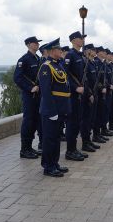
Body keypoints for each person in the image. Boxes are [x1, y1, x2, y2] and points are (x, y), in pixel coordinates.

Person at [38, 38, 70, 177]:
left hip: (61, 108)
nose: (61, 51)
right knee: (49, 138)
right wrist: (52, 111)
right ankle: (48, 166)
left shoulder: (59, 65)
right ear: (52, 51)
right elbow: (45, 91)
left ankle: (55, 163)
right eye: (59, 49)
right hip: (51, 109)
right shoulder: (46, 66)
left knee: (56, 138)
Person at [14, 36, 42, 159]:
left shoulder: (39, 59)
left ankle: (30, 147)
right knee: (28, 121)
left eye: (37, 43)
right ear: (29, 44)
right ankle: (24, 149)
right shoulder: (23, 60)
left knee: (35, 121)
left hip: (39, 95)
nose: (37, 45)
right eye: (35, 43)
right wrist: (30, 88)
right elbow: (17, 78)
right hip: (29, 95)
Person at [64, 31, 88, 161]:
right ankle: (69, 151)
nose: (82, 40)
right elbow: (65, 75)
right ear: (73, 40)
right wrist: (75, 88)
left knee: (78, 122)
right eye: (80, 38)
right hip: (73, 95)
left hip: (81, 94)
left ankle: (74, 149)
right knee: (72, 124)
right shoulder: (70, 55)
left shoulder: (81, 55)